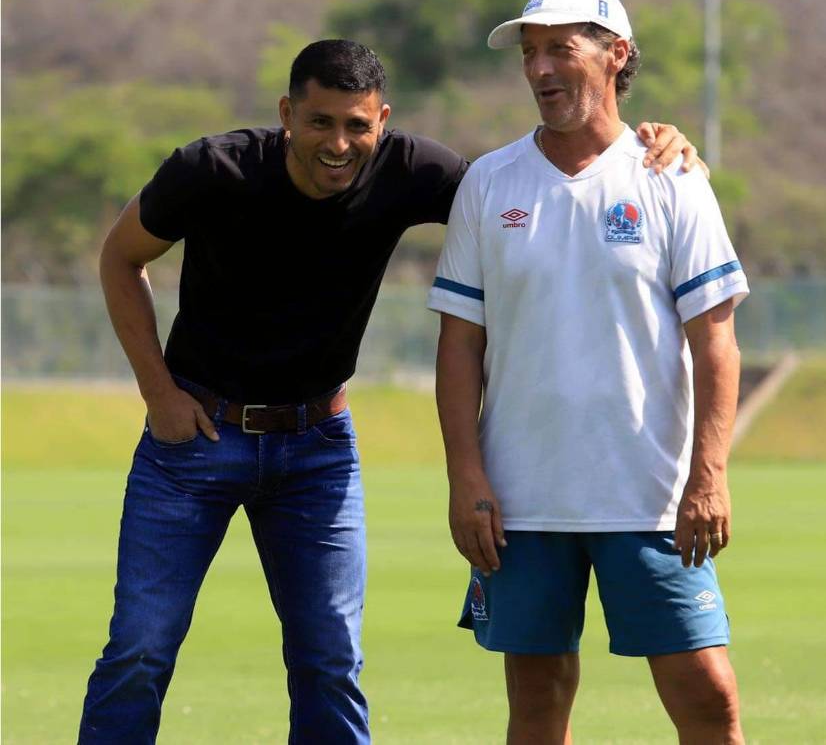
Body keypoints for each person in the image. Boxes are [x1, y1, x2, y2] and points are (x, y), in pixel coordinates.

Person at [79, 38, 701, 744]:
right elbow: (120, 258)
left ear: (383, 119)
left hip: (317, 451)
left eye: (357, 125)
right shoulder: (211, 168)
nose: (338, 144)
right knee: (140, 648)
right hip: (195, 441)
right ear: (287, 114)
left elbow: (531, 187)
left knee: (330, 660)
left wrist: (651, 152)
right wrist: (158, 393)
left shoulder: (413, 170)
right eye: (319, 122)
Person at [428, 0, 749, 744]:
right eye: (530, 52)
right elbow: (460, 345)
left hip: (651, 496)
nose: (540, 68)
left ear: (617, 55)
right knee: (536, 703)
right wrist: (465, 477)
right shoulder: (489, 182)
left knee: (709, 698)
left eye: (560, 49)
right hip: (522, 500)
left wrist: (709, 475)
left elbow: (716, 341)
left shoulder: (671, 177)